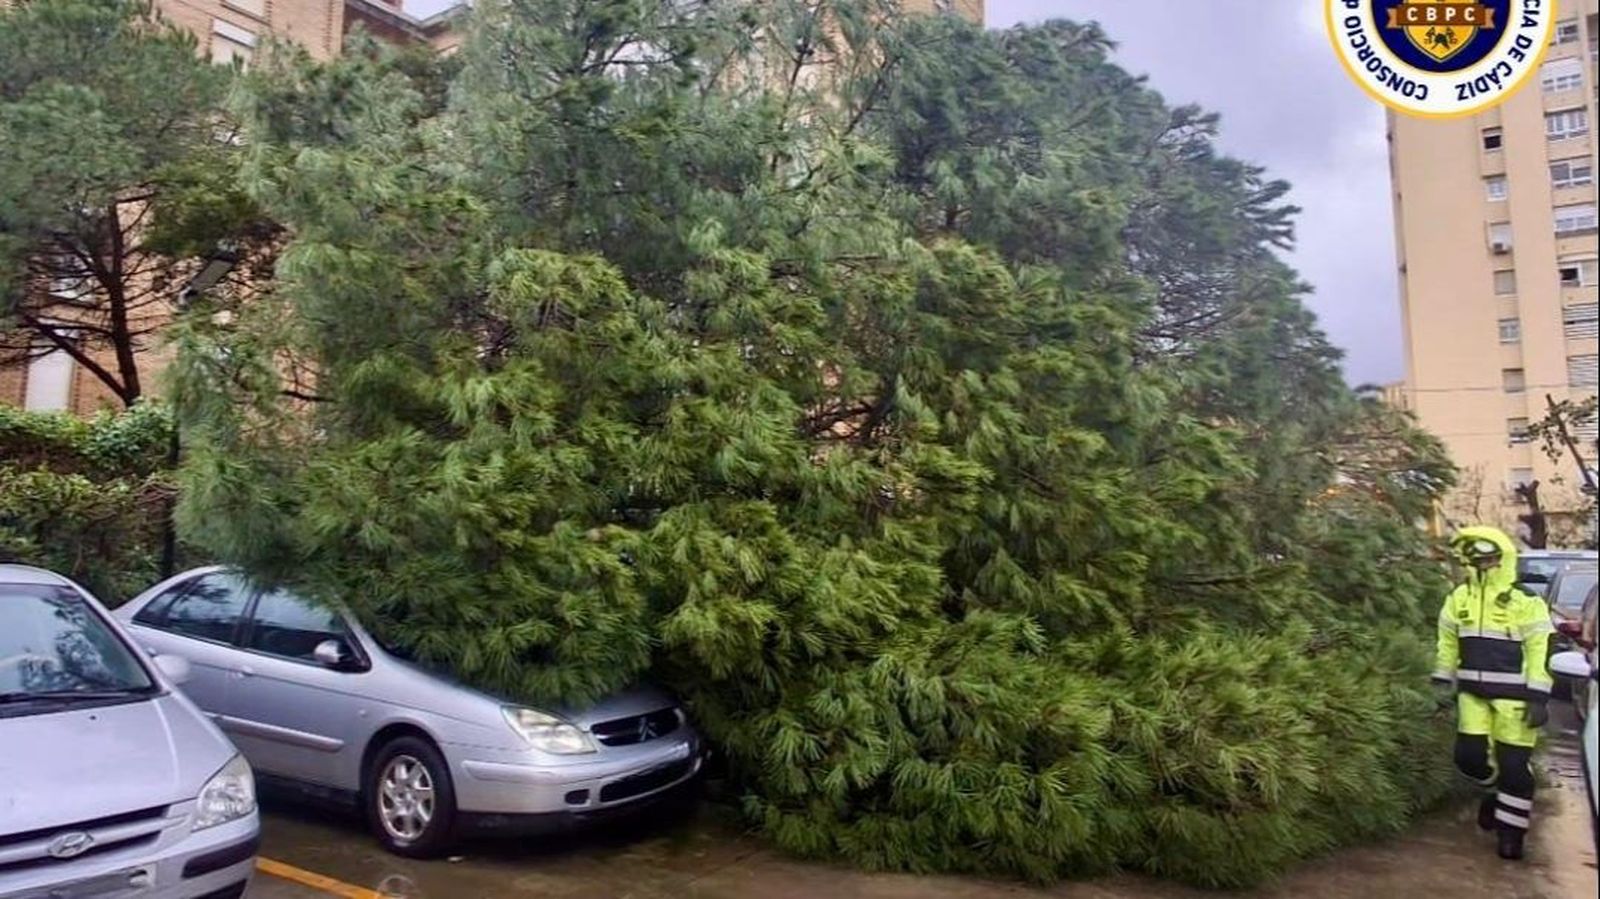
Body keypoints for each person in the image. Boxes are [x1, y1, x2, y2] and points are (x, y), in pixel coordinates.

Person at [1433, 525, 1553, 861]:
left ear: (1503, 559)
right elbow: (1447, 641)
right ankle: (1499, 795)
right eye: (1478, 560)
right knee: (1468, 758)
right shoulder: (1459, 597)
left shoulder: (1526, 601)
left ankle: (1511, 836)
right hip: (1473, 696)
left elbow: (1539, 649)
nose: (1484, 565)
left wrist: (1538, 697)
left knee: (1515, 770)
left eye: (1490, 559)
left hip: (1516, 700)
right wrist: (1442, 679)